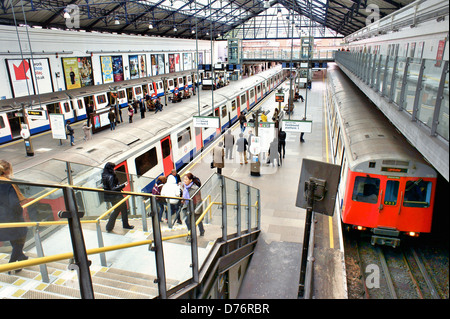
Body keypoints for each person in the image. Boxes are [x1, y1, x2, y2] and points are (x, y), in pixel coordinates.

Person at [0, 160, 28, 270]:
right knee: (22, 235)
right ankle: (12, 262)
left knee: (14, 237)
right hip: (11, 217)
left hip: (1, 218)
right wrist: (20, 212)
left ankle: (20, 257)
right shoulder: (8, 184)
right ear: (7, 171)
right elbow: (14, 204)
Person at [101, 162, 134, 232]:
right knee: (124, 210)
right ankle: (125, 225)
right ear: (110, 168)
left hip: (110, 197)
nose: (114, 169)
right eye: (113, 168)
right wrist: (123, 186)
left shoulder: (104, 174)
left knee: (116, 210)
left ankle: (109, 227)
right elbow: (113, 188)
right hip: (116, 197)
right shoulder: (111, 176)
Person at [182, 173, 204, 242]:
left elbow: (198, 200)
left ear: (191, 180)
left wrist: (197, 211)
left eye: (186, 179)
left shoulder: (195, 189)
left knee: (194, 221)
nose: (184, 180)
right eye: (184, 179)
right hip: (188, 206)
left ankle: (192, 235)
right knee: (190, 221)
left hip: (194, 207)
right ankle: (196, 232)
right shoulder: (185, 187)